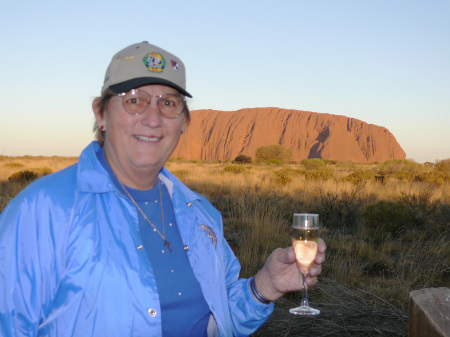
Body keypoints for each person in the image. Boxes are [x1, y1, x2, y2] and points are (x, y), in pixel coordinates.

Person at [0, 41, 326, 337]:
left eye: (168, 103)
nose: (153, 118)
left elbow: (220, 319)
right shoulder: (43, 209)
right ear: (101, 113)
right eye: (134, 101)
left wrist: (266, 285)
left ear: (183, 122)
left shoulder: (199, 212)